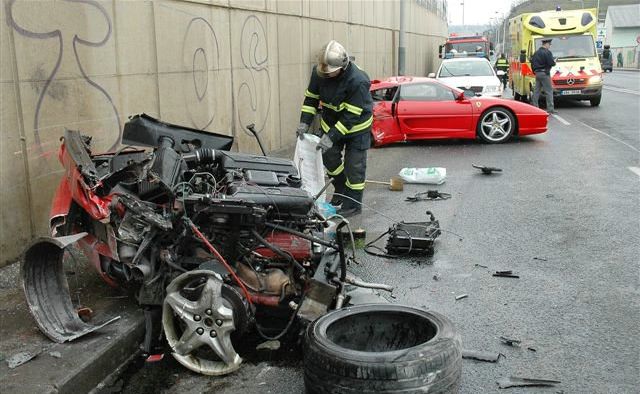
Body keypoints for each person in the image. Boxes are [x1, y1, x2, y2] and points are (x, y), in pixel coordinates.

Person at [296, 40, 373, 217]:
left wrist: (331, 136)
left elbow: (350, 117)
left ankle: (353, 203)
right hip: (330, 123)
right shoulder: (319, 73)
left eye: (331, 72)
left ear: (343, 66)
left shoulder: (358, 81)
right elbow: (311, 99)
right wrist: (304, 122)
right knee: (329, 160)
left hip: (356, 129)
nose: (327, 75)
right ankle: (341, 190)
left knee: (354, 166)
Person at [530, 38, 557, 114]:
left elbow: (532, 63)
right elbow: (551, 63)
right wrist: (554, 62)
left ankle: (535, 107)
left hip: (537, 73)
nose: (550, 46)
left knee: (536, 91)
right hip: (545, 73)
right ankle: (550, 109)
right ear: (546, 44)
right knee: (548, 91)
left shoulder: (536, 53)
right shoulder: (547, 52)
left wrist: (535, 72)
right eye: (549, 45)